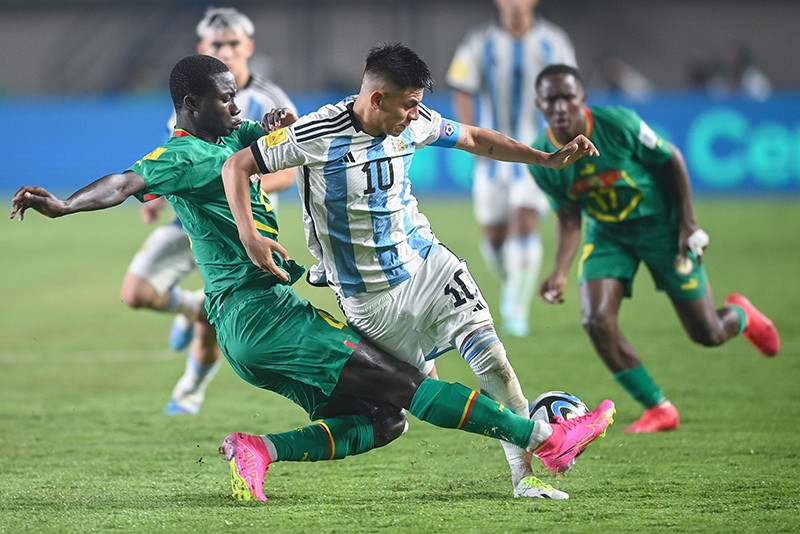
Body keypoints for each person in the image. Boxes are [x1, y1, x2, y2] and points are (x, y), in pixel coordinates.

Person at [10, 54, 615, 502]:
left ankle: (260, 450)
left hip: (261, 321)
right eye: (226, 99)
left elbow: (278, 136)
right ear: (190, 107)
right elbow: (122, 183)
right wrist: (65, 204)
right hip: (263, 317)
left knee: (383, 420)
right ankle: (542, 438)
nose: (236, 107)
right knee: (403, 383)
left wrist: (278, 118)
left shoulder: (230, 133)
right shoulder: (182, 154)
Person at [222, 42, 601, 499]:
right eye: (408, 105)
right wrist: (249, 235)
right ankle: (543, 440)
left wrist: (545, 159)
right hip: (370, 298)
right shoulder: (315, 132)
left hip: (427, 264)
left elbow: (476, 138)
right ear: (377, 99)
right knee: (413, 401)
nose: (415, 116)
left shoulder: (414, 120)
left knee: (493, 360)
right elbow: (236, 165)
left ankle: (526, 478)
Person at [528, 64, 780, 433]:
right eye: (551, 99)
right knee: (595, 320)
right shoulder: (541, 157)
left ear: (583, 98)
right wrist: (560, 272)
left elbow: (671, 159)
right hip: (608, 234)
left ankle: (741, 316)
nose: (560, 106)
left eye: (568, 96)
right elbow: (568, 216)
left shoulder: (619, 125)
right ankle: (659, 408)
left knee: (706, 333)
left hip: (660, 227)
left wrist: (686, 224)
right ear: (539, 103)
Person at [119, 7, 297, 415]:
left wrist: (233, 188)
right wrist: (158, 201)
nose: (227, 50)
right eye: (218, 44)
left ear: (248, 46)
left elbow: (286, 174)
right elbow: (181, 162)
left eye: (234, 43)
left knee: (218, 323)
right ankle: (196, 308)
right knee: (135, 293)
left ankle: (189, 393)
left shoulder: (270, 101)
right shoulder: (190, 102)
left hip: (240, 230)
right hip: (189, 222)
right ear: (204, 48)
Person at [445, 0, 577, 337]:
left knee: (524, 219)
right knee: (494, 235)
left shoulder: (554, 41)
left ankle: (515, 310)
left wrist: (562, 137)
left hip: (539, 151)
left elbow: (571, 94)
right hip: (492, 153)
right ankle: (513, 284)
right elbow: (461, 87)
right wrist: (470, 137)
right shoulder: (479, 42)